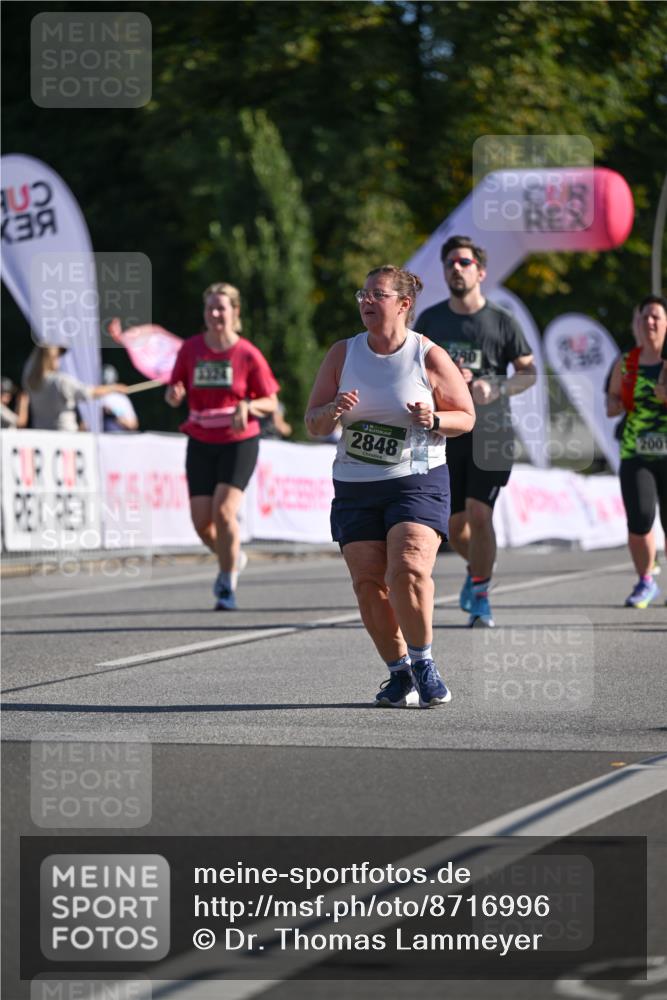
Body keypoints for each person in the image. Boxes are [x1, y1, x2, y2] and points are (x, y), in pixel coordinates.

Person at [305, 265, 475, 708]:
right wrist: (334, 410)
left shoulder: (428, 355)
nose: (365, 301)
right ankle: (399, 673)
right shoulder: (342, 354)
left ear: (403, 304)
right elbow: (312, 422)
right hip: (355, 484)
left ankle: (424, 662)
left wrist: (435, 419)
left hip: (417, 479)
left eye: (376, 294)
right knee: (368, 583)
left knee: (408, 570)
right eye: (362, 294)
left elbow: (466, 416)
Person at [413, 235, 536, 627]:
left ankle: (481, 593)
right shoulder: (431, 320)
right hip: (446, 431)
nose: (456, 268)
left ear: (480, 271)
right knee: (453, 527)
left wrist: (495, 385)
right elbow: (414, 370)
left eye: (464, 262)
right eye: (450, 262)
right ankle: (478, 569)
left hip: (492, 433)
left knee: (480, 515)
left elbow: (529, 372)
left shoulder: (500, 320)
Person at [166, 282, 279, 610]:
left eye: (221, 307)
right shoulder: (191, 349)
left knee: (225, 511)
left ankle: (226, 582)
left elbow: (271, 401)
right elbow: (176, 387)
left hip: (238, 441)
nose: (215, 314)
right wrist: (173, 395)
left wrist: (249, 406)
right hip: (200, 438)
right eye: (210, 308)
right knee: (202, 522)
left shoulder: (247, 353)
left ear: (235, 312)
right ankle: (233, 556)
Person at [606, 294, 667, 608]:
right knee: (640, 518)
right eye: (645, 317)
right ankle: (646, 581)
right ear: (638, 324)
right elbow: (611, 402)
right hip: (636, 451)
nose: (651, 322)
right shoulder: (626, 362)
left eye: (656, 316)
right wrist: (616, 404)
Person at [22, 345, 128, 432]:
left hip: (41, 434)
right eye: (58, 356)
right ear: (51, 358)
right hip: (64, 434)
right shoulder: (60, 381)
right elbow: (90, 392)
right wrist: (114, 388)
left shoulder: (29, 381)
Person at [101, 364, 139, 432]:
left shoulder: (121, 399)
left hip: (118, 436)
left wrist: (114, 414)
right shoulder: (96, 398)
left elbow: (133, 425)